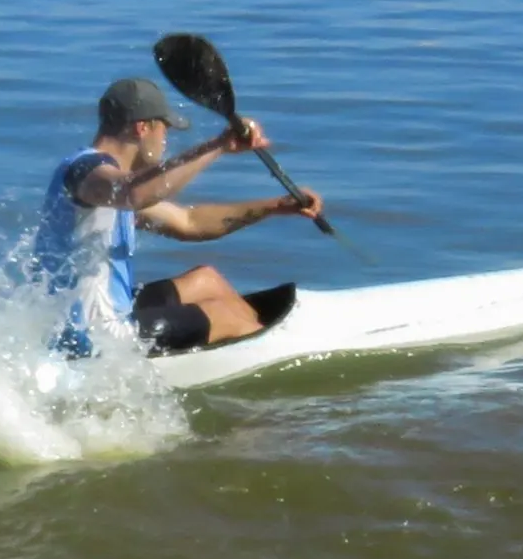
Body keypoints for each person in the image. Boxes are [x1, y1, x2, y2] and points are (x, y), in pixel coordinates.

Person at [34, 76, 324, 354]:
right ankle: (269, 355)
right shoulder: (87, 172)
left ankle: (259, 336)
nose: (166, 140)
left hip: (107, 311)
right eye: (165, 129)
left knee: (207, 280)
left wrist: (275, 206)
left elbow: (190, 223)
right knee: (225, 315)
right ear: (143, 128)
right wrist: (219, 145)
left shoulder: (111, 187)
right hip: (95, 337)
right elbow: (134, 193)